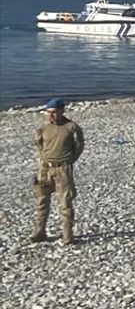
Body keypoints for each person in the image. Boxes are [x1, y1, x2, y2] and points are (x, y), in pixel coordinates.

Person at [29, 99, 85, 245]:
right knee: (42, 200)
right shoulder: (42, 128)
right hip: (45, 168)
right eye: (48, 113)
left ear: (62, 111)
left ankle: (67, 234)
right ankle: (39, 232)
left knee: (65, 201)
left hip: (63, 169)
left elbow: (79, 144)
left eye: (54, 112)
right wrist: (44, 159)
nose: (51, 116)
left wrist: (72, 159)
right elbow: (39, 145)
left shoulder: (71, 127)